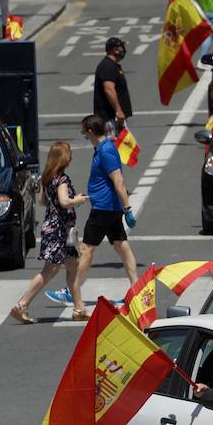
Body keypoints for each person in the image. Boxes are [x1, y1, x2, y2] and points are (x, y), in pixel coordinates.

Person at [67, 115, 139, 320]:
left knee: (87, 249)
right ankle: (137, 289)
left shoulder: (106, 151)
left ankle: (74, 288)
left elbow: (118, 180)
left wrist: (127, 208)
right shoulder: (103, 148)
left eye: (84, 131)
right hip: (108, 207)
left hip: (104, 209)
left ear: (89, 131)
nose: (83, 134)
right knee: (121, 245)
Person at [12, 141, 89, 324]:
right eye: (69, 154)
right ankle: (22, 304)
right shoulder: (61, 179)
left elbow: (42, 201)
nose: (71, 157)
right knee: (49, 270)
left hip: (55, 228)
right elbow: (64, 202)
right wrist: (77, 199)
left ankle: (79, 308)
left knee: (73, 267)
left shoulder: (46, 178)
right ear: (64, 157)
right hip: (59, 231)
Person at [93, 37, 133, 133]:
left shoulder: (112, 65)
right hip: (110, 118)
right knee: (115, 146)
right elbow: (109, 89)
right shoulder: (108, 66)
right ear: (115, 50)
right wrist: (118, 111)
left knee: (122, 147)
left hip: (115, 118)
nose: (123, 50)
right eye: (121, 47)